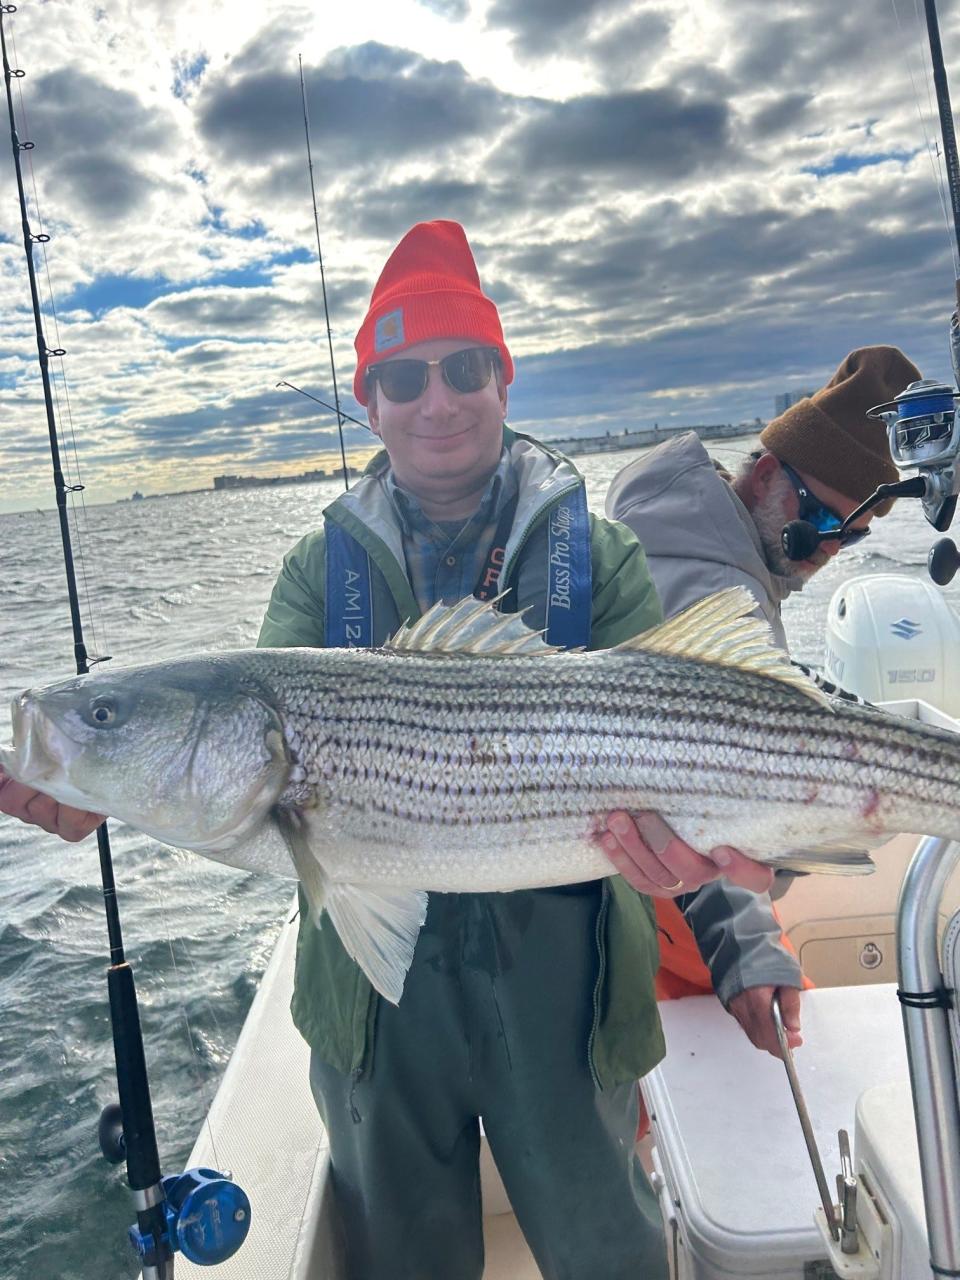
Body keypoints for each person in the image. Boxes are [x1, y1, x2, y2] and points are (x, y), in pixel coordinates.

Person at [0, 219, 771, 1280]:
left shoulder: (601, 555)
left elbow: (720, 747)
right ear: (370, 402)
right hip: (373, 1018)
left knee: (611, 1255)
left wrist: (739, 938)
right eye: (404, 377)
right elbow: (227, 771)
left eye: (463, 368)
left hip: (570, 992)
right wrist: (98, 783)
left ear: (504, 380)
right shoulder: (318, 570)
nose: (436, 398)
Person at [604, 344, 922, 1058]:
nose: (828, 547)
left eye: (852, 533)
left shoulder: (701, 533)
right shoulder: (709, 582)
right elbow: (699, 783)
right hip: (663, 887)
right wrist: (749, 949)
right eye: (818, 519)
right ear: (768, 473)